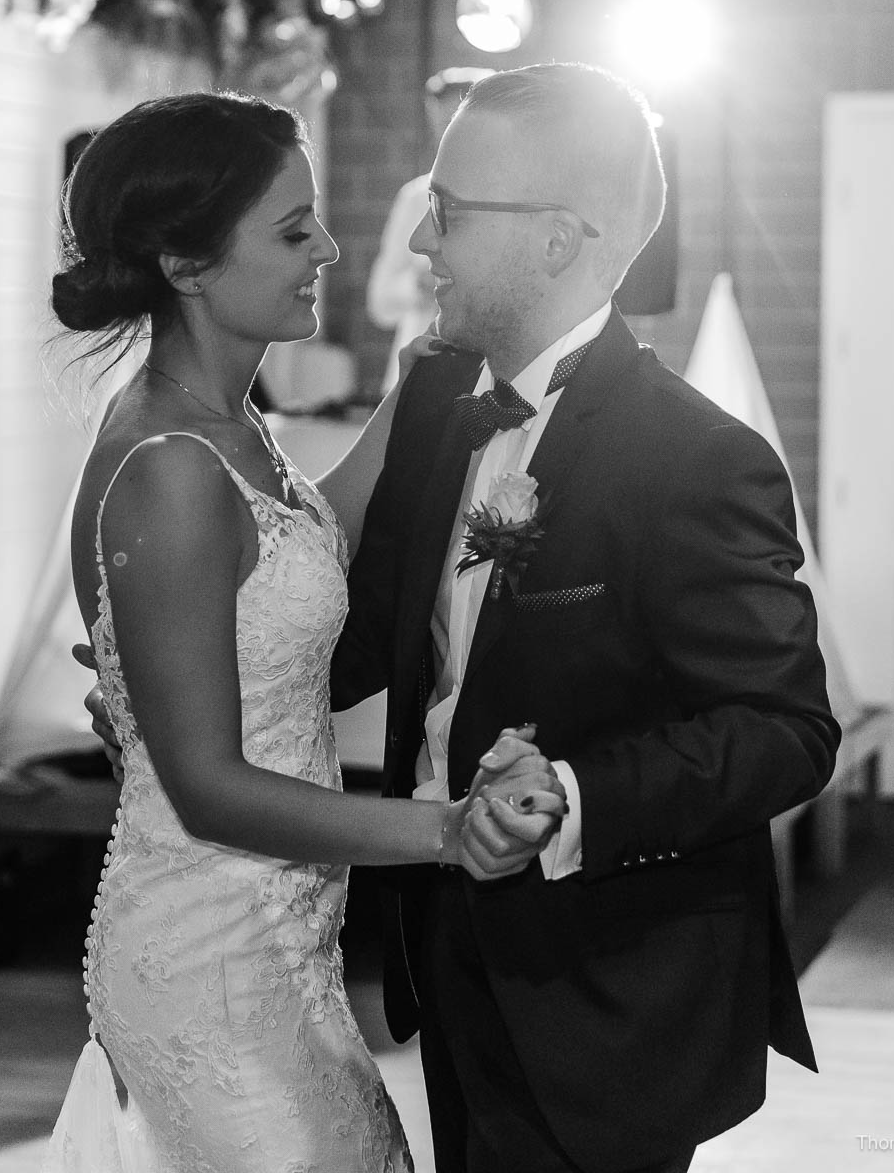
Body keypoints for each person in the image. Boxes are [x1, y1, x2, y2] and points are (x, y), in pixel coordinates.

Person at [41, 91, 565, 1171]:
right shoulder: (170, 468)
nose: (327, 247)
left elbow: (292, 543)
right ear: (186, 264)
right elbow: (207, 785)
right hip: (209, 962)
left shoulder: (230, 427)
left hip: (285, 952)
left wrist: (406, 401)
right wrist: (446, 829)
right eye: (293, 231)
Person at [330, 63, 839, 1173]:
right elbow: (364, 637)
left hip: (612, 989)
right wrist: (178, 678)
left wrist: (571, 795)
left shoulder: (695, 459)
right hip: (444, 945)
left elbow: (785, 730)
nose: (422, 242)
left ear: (559, 240)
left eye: (449, 213)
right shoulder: (434, 403)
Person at [366, 66, 494, 388]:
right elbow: (379, 303)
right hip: (414, 377)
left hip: (486, 374)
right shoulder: (413, 197)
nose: (447, 130)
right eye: (441, 118)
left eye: (457, 117)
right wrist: (417, 286)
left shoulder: (512, 199)